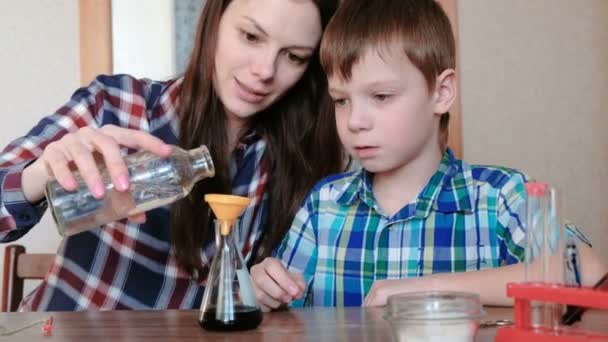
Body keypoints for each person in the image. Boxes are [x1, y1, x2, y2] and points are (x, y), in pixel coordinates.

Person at [251, 0, 608, 310]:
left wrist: (424, 289)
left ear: (442, 93)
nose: (354, 121)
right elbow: (282, 309)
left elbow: (588, 272)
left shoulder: (500, 196)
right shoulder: (324, 205)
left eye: (381, 96)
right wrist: (264, 292)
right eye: (341, 100)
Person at [0, 0, 342, 311]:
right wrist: (41, 173)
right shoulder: (116, 106)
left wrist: (264, 291)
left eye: (294, 56)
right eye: (251, 36)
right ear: (214, 21)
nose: (265, 70)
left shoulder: (295, 163)